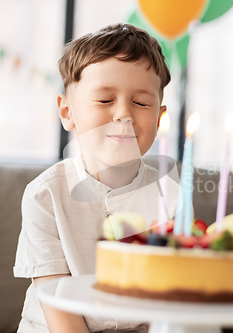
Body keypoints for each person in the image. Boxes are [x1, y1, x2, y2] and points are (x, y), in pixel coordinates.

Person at [13, 23, 179, 333]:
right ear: (67, 112)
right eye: (104, 100)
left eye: (141, 103)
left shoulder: (170, 196)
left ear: (159, 117)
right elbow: (60, 312)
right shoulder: (45, 196)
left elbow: (166, 305)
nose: (123, 114)